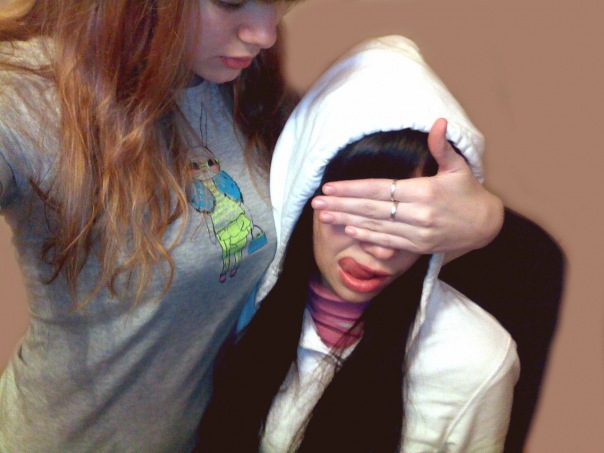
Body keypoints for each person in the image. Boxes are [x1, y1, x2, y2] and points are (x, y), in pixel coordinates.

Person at [0, 1, 546, 451]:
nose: (264, 34)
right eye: (231, 1)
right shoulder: (27, 97)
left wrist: (486, 220)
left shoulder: (244, 86)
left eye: (280, 3)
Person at [196, 35, 519, 452]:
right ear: (305, 196)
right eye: (358, 213)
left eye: (406, 221)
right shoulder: (241, 307)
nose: (381, 251)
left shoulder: (476, 362)